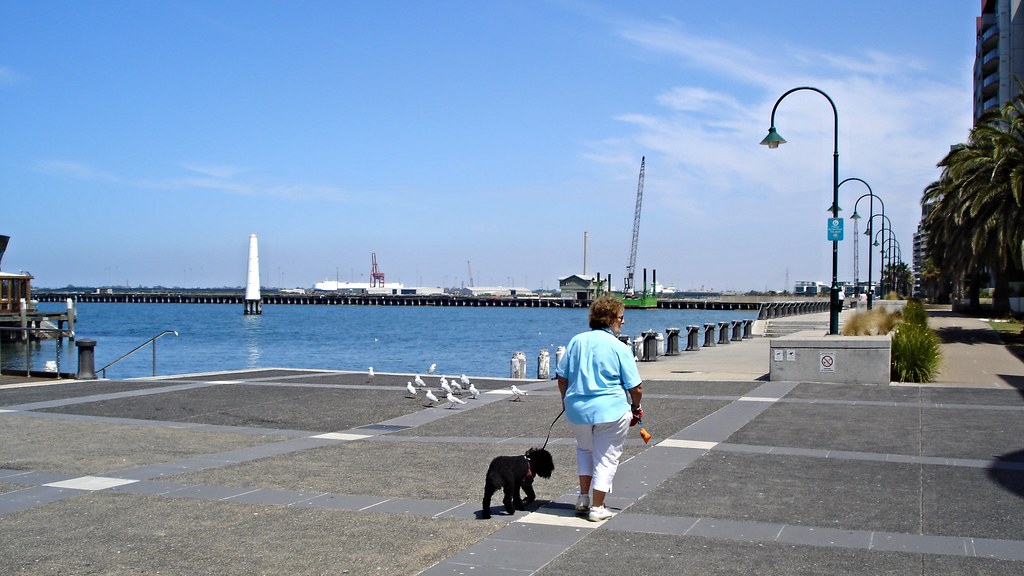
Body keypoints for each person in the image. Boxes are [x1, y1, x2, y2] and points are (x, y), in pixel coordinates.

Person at [556, 295, 643, 522]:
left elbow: (562, 377)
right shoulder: (619, 347)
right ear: (611, 319)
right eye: (621, 317)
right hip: (611, 410)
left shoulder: (576, 341)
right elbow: (636, 387)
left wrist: (565, 400)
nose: (623, 322)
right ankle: (597, 507)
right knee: (607, 457)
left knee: (585, 450)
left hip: (577, 410)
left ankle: (583, 497)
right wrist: (636, 407)